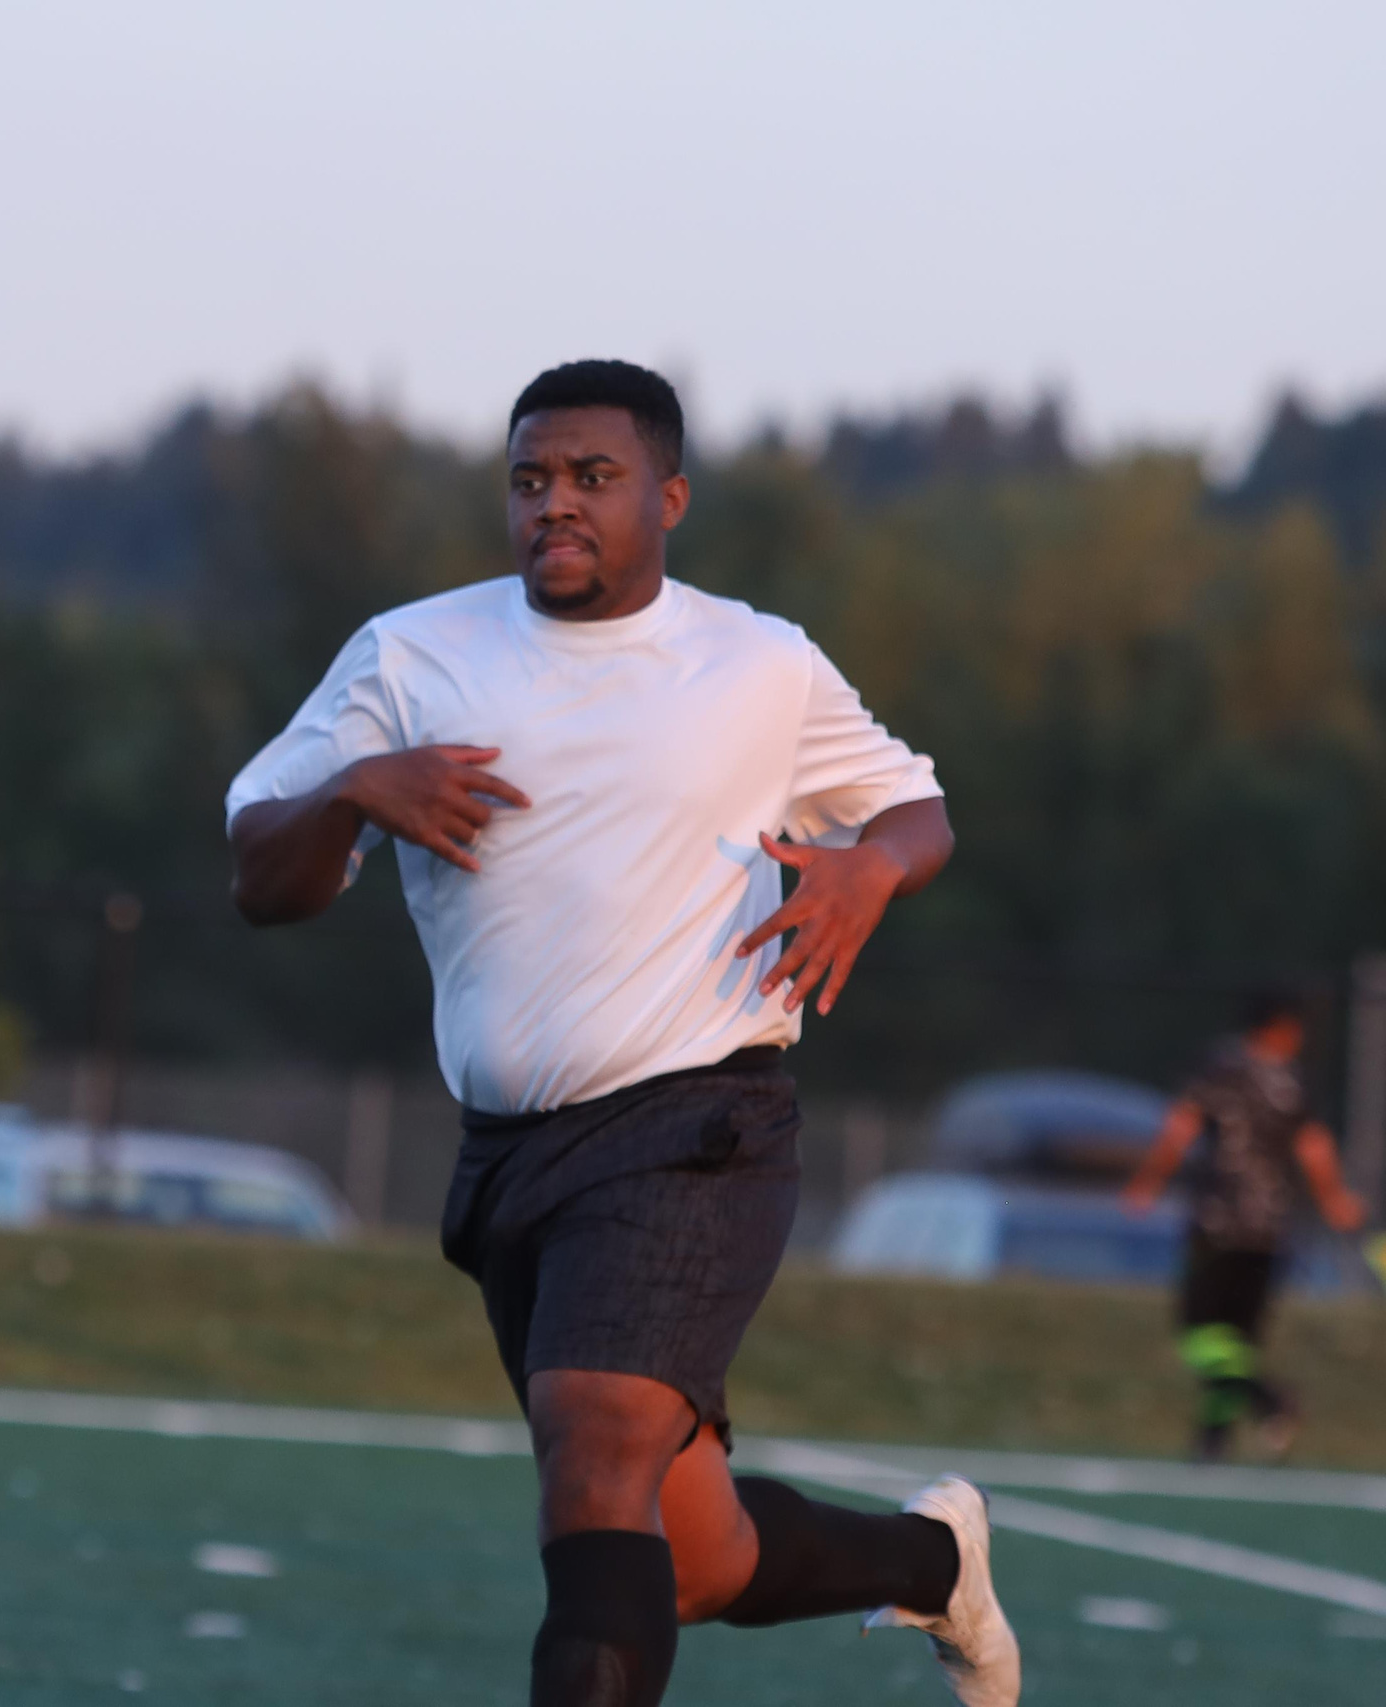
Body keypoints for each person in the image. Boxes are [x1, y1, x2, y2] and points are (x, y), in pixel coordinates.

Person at [225, 360, 1014, 1707]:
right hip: (510, 1159)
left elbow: (913, 808)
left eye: (593, 478)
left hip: (701, 1124)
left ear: (670, 497)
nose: (555, 505)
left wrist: (867, 872)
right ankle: (935, 1561)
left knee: (590, 1450)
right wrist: (355, 791)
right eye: (532, 479)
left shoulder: (758, 660)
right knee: (695, 1558)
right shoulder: (411, 653)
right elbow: (260, 874)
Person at [1121, 991, 1367, 1461]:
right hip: (1271, 1228)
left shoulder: (1220, 1067)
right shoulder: (1290, 1083)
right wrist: (1334, 1200)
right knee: (1236, 1339)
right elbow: (1314, 1146)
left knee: (1198, 1334)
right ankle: (1212, 1440)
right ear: (1278, 1028)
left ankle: (1267, 1398)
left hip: (1220, 1221)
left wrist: (1148, 1181)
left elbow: (1181, 1126)